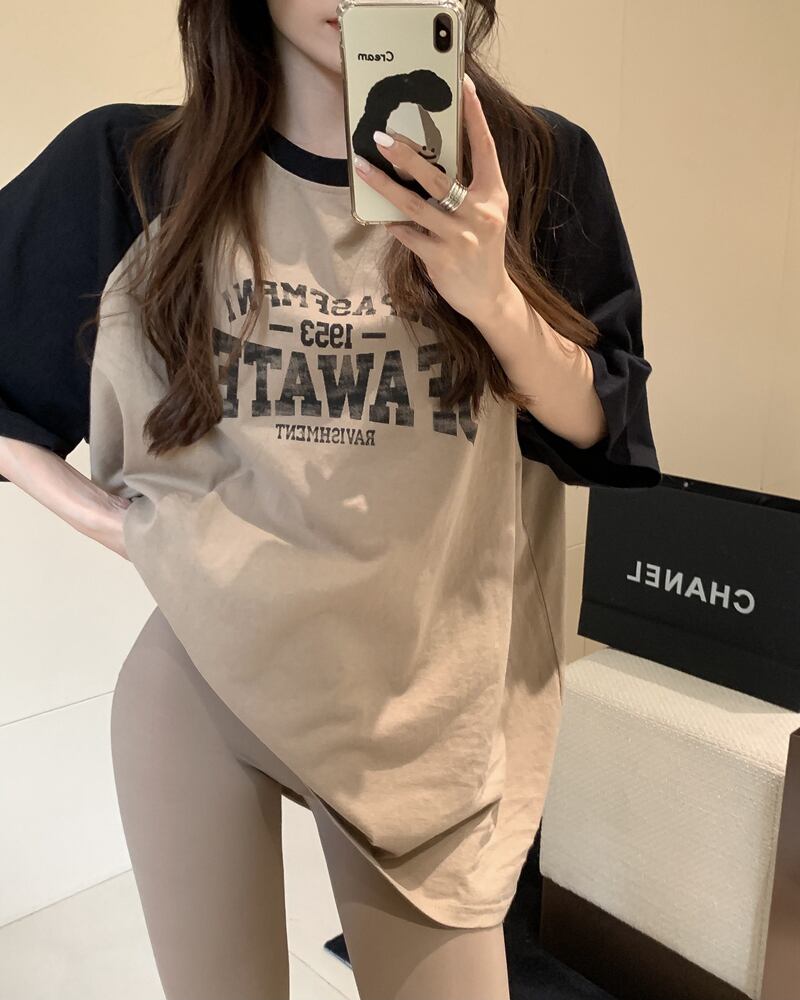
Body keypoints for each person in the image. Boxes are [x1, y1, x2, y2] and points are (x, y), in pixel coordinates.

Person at [0, 1, 660, 998]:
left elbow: (602, 427)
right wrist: (134, 530)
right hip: (203, 683)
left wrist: (493, 298)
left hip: (427, 711)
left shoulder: (530, 167)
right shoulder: (139, 169)